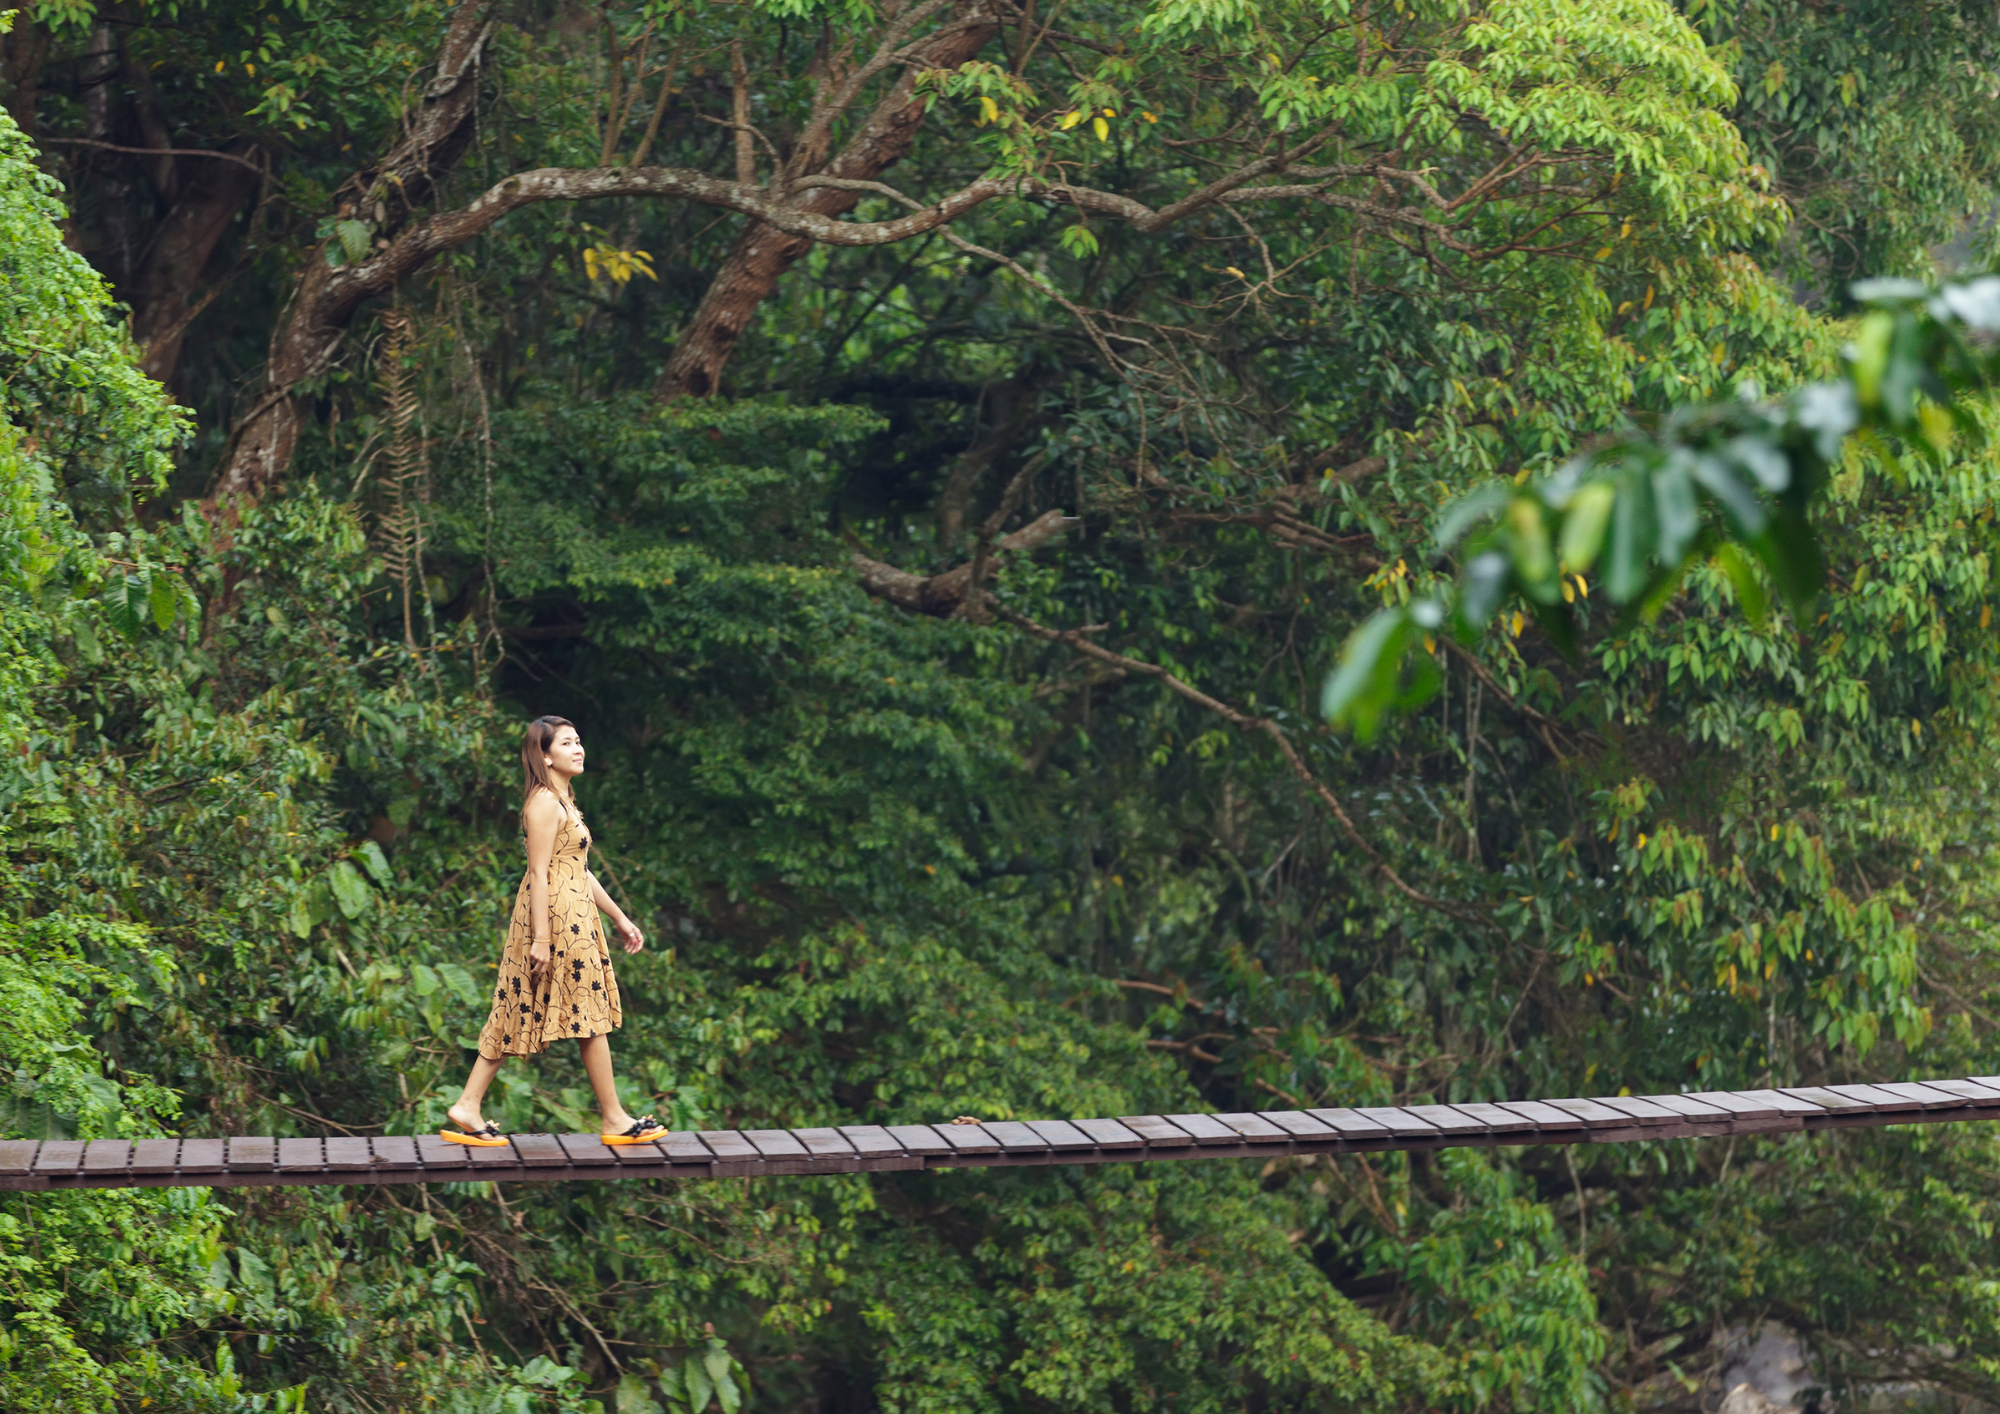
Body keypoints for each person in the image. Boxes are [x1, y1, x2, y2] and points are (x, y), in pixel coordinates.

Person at [441, 715, 666, 1146]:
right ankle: (614, 1118)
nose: (579, 748)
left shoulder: (563, 800)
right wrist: (541, 939)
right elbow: (540, 873)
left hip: (574, 914)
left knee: (522, 1004)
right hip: (556, 920)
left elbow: (579, 870)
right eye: (567, 743)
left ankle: (468, 1103)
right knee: (587, 1015)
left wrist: (621, 918)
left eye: (579, 740)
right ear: (545, 755)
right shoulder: (544, 802)